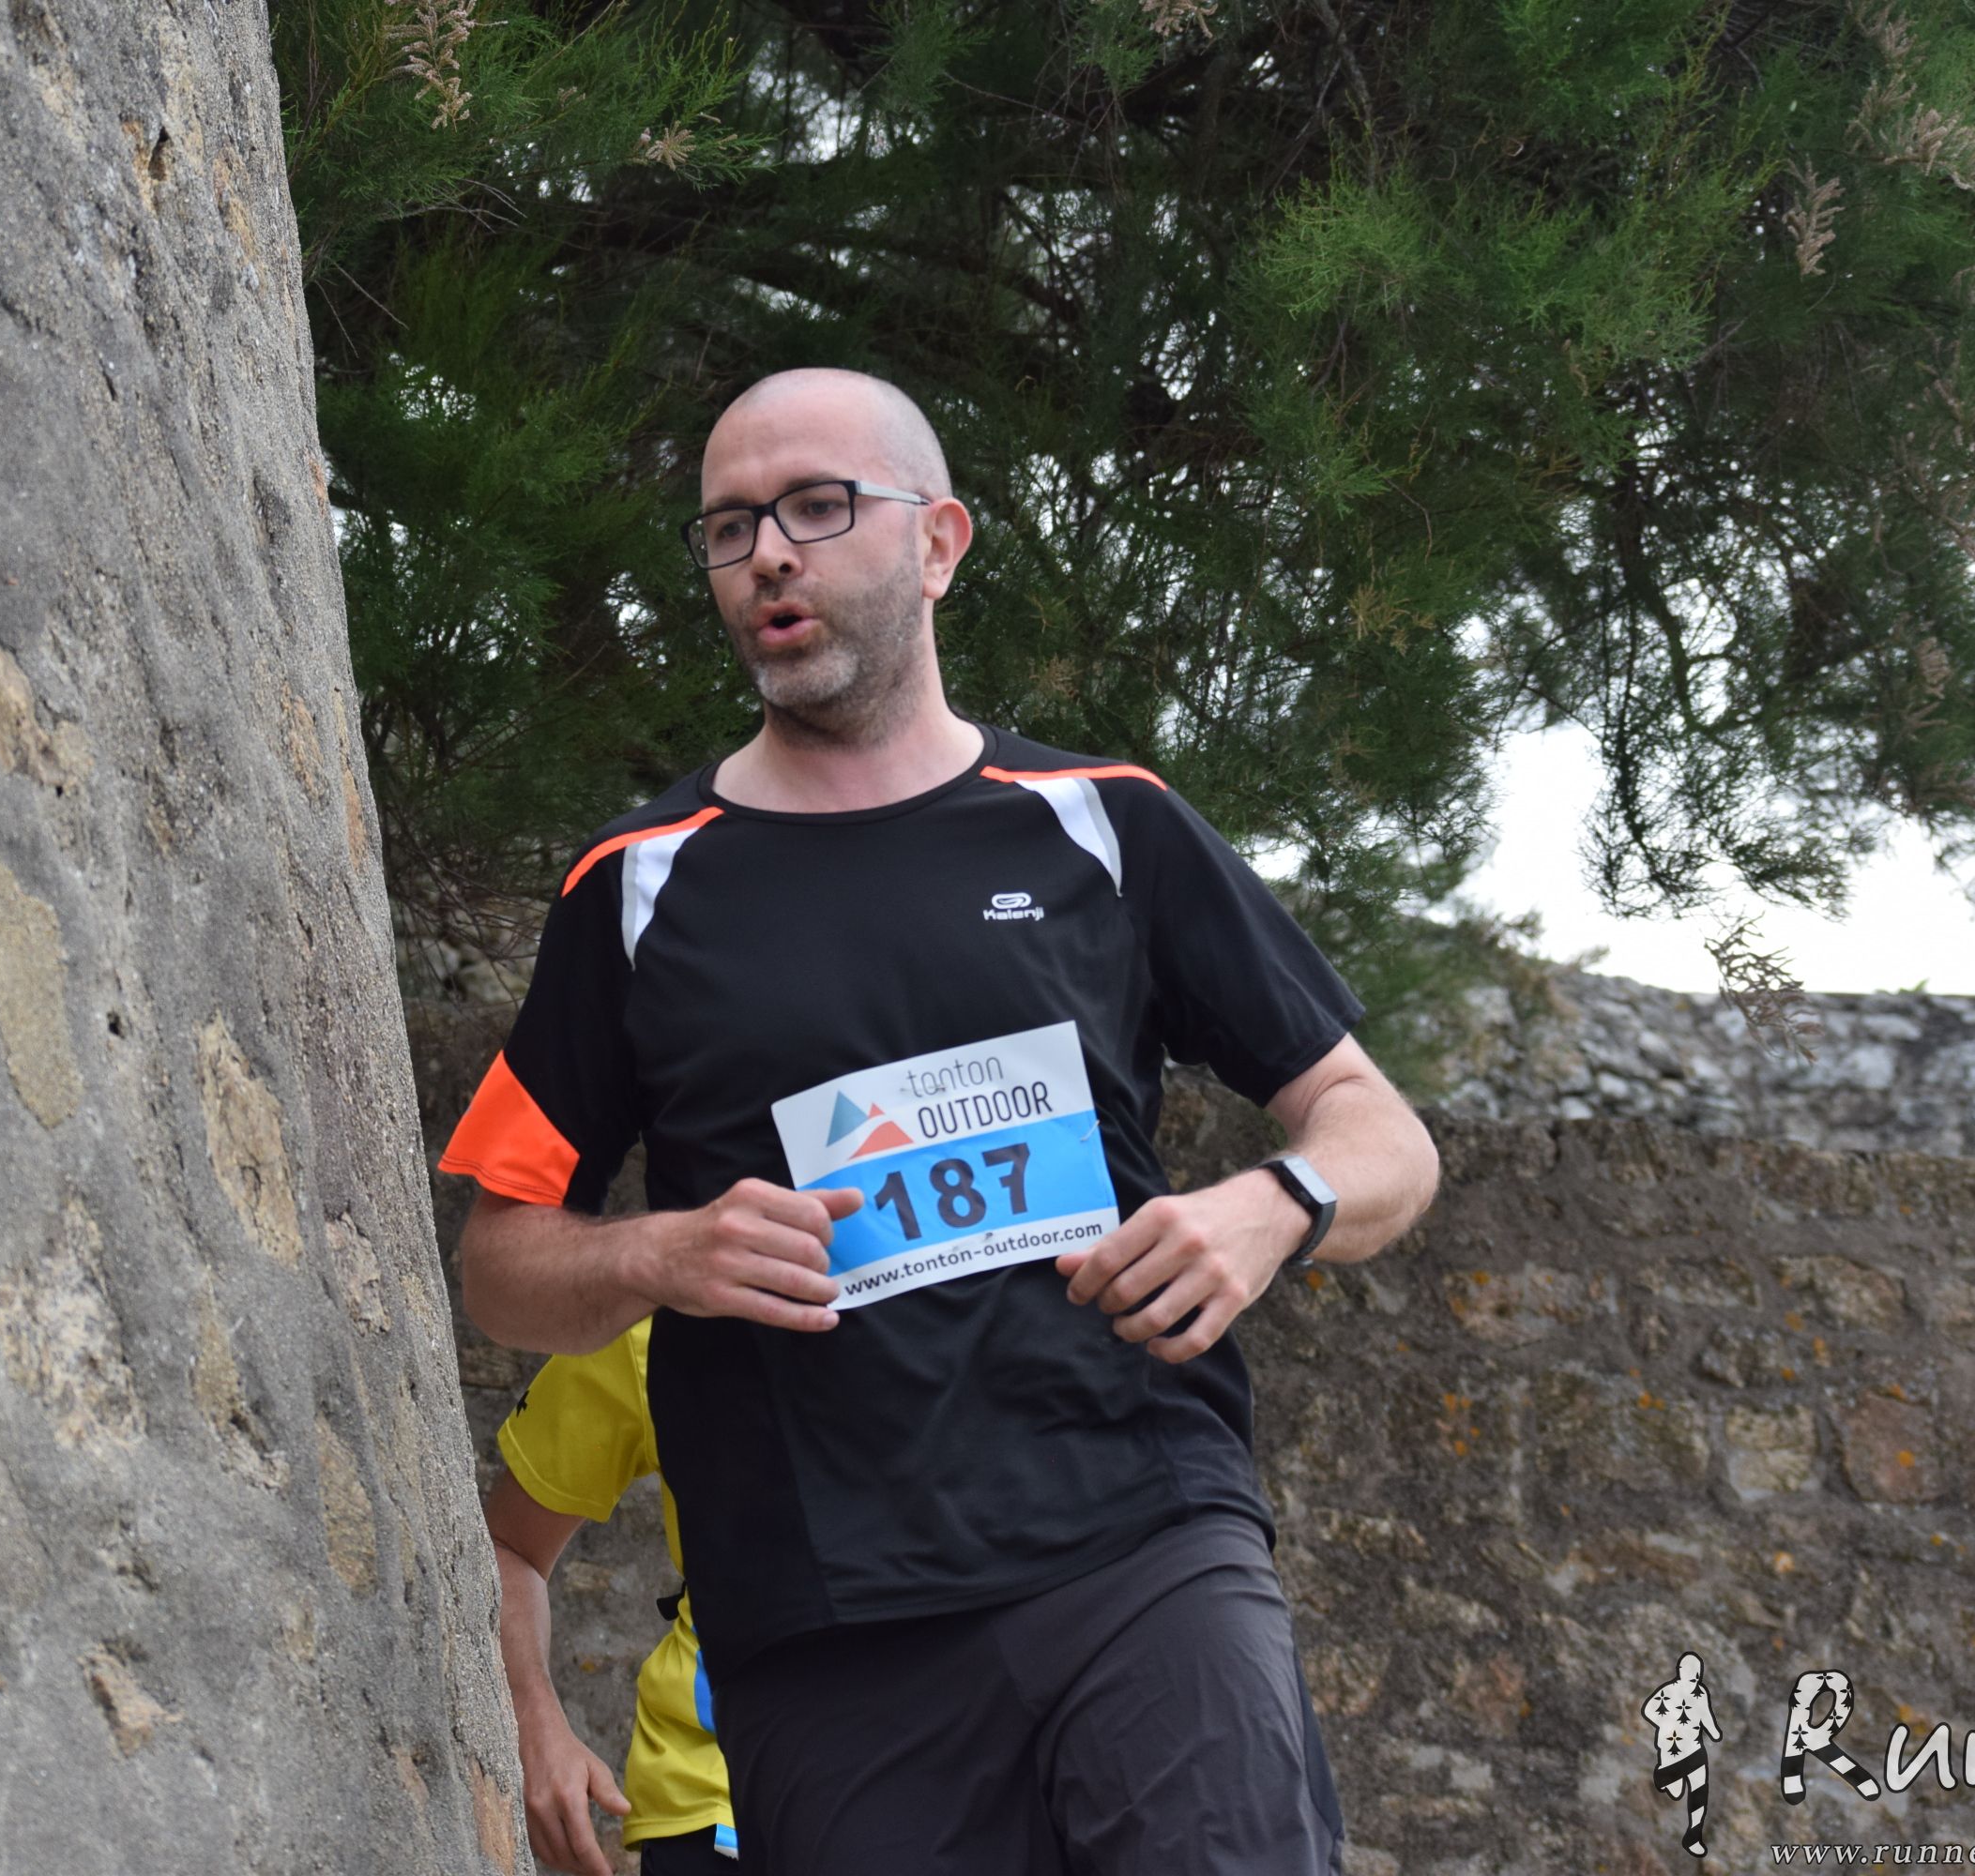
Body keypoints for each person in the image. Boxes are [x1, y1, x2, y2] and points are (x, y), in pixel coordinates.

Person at [444, 366, 1440, 1875]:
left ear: (938, 542)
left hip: (1140, 1543)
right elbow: (500, 1263)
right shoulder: (637, 885)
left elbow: (1382, 1136)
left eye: (816, 507)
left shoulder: (1107, 819)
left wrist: (1273, 1205)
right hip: (827, 1633)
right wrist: (659, 1255)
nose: (769, 554)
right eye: (729, 527)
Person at [484, 1319, 738, 1876]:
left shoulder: (941, 1300)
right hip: (718, 1803)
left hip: (925, 1777)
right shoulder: (651, 1325)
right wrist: (535, 1719)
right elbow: (507, 1547)